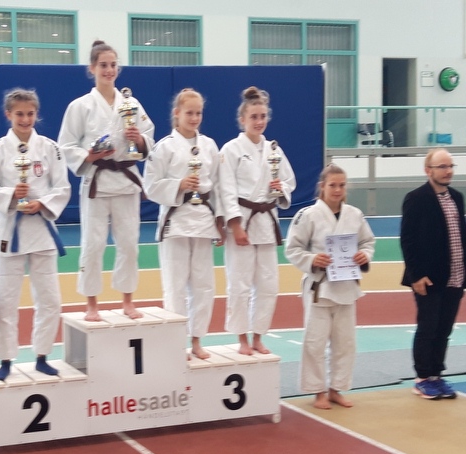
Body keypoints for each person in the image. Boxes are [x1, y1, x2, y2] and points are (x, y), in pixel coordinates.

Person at [0, 88, 71, 381]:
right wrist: (11, 195)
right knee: (5, 301)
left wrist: (42, 203)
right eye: (19, 114)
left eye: (30, 114)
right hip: (11, 231)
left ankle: (42, 355)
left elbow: (63, 187)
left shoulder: (50, 148)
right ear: (8, 114)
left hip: (41, 230)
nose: (25, 119)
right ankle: (5, 359)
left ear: (36, 114)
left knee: (50, 300)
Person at [58, 40, 155, 322]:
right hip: (97, 181)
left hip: (125, 180)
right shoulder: (80, 106)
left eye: (113, 65)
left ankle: (128, 301)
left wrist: (140, 140)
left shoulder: (131, 104)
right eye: (103, 65)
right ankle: (91, 304)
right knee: (93, 244)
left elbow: (149, 135)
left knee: (129, 243)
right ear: (92, 68)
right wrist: (88, 155)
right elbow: (65, 145)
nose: (109, 70)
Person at [285, 164, 375, 409]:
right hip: (320, 287)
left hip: (346, 285)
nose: (337, 190)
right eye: (332, 185)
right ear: (322, 187)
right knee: (315, 342)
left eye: (342, 185)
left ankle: (336, 388)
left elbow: (367, 242)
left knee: (345, 342)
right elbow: (292, 248)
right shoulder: (308, 215)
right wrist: (313, 259)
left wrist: (364, 256)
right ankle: (318, 391)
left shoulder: (355, 215)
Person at [144, 88, 225, 359]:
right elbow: (150, 186)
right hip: (176, 223)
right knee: (175, 286)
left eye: (198, 113)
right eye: (189, 112)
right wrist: (178, 184)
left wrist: (221, 221)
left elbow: (219, 186)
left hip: (203, 220)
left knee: (204, 286)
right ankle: (176, 344)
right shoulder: (164, 147)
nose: (194, 118)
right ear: (177, 113)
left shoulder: (209, 146)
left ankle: (197, 341)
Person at [219, 86, 296, 356]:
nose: (259, 121)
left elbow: (289, 180)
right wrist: (235, 224)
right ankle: (241, 337)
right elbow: (225, 189)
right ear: (242, 119)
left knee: (268, 285)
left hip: (266, 221)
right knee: (239, 283)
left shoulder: (274, 149)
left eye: (263, 116)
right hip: (243, 220)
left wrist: (280, 188)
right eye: (254, 117)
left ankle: (259, 336)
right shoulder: (231, 149)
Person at [400, 148, 466, 400]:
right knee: (428, 328)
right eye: (442, 167)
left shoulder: (457, 198)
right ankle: (422, 378)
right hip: (428, 278)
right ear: (428, 170)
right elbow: (408, 240)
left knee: (444, 329)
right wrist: (416, 275)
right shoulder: (416, 199)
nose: (448, 171)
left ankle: (436, 375)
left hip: (456, 276)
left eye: (450, 166)